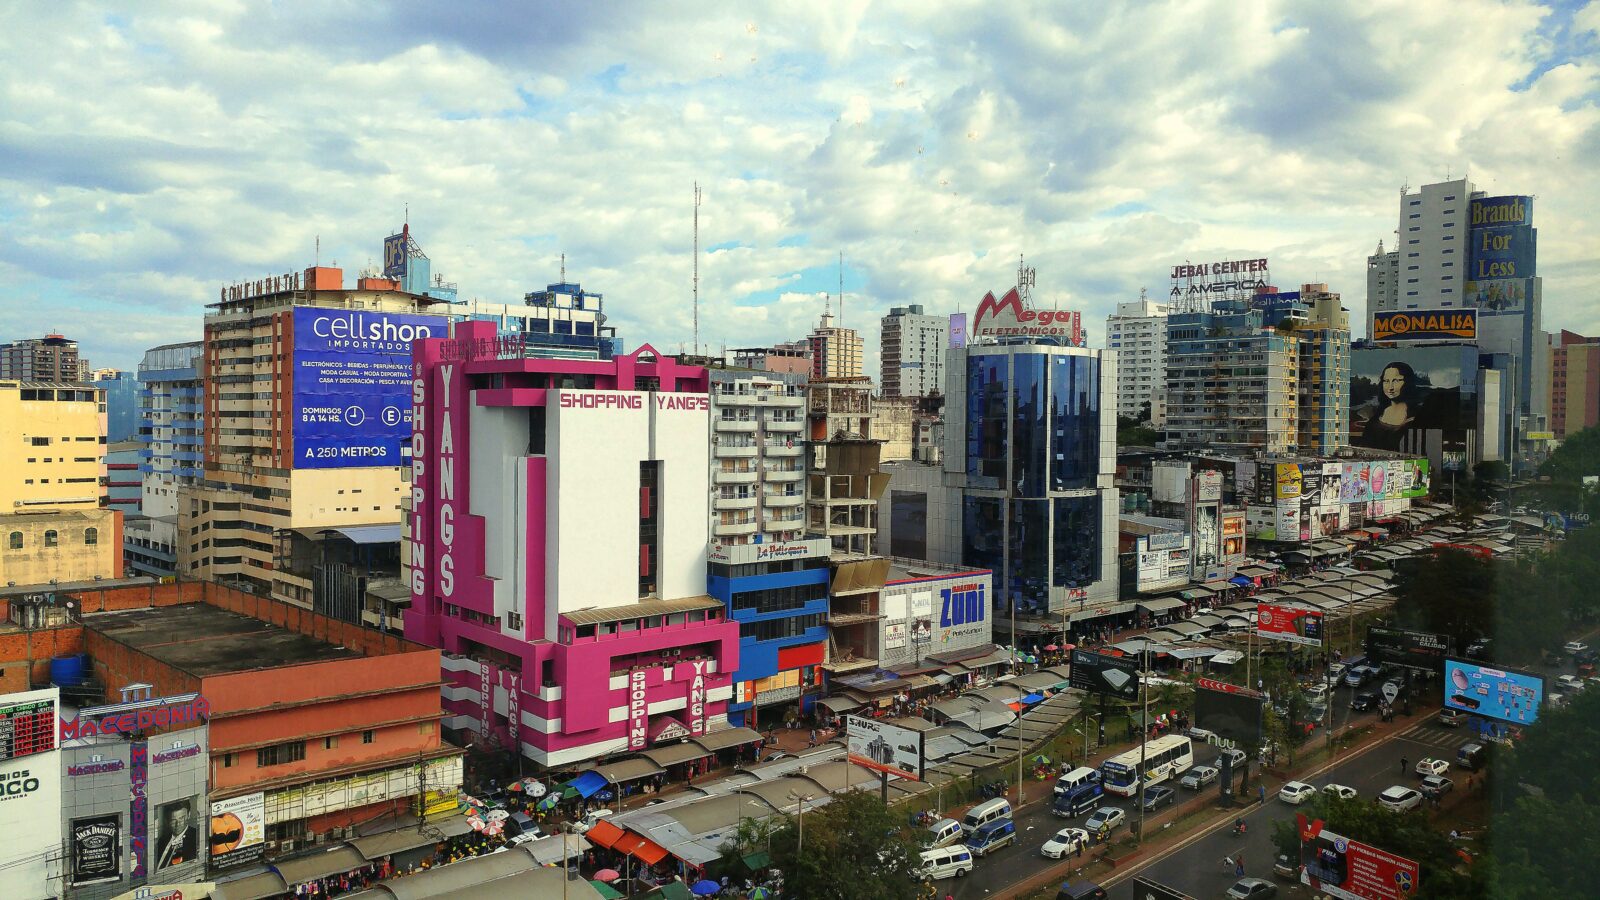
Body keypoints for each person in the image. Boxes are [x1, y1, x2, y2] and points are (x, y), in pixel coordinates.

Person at [1355, 361, 1422, 451]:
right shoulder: (1375, 418)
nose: (1390, 387)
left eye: (1396, 380)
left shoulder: (1419, 416)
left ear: (1408, 382)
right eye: (1386, 381)